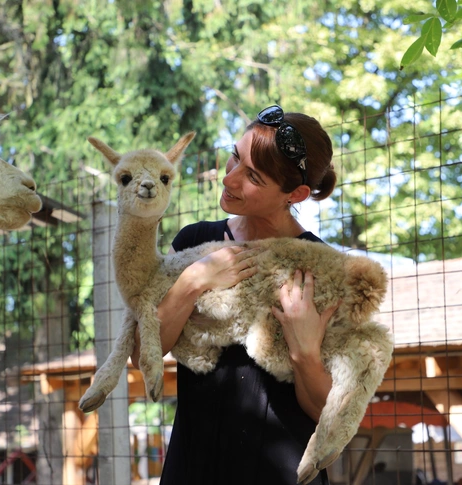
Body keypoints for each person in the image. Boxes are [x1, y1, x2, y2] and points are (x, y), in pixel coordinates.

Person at [132, 105, 339, 485]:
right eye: (235, 156)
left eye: (253, 176)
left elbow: (330, 414)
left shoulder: (322, 267)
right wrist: (193, 280)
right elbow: (140, 354)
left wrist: (305, 350)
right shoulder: (194, 241)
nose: (229, 178)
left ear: (295, 194)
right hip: (195, 466)